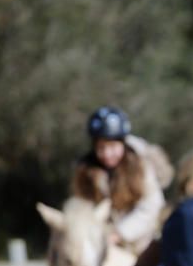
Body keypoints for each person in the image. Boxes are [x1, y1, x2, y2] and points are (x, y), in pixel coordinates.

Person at [72, 106, 171, 253]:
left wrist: (120, 234)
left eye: (112, 146)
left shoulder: (140, 165)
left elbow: (151, 207)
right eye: (101, 147)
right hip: (102, 245)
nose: (107, 154)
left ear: (123, 143)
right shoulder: (87, 171)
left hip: (143, 244)